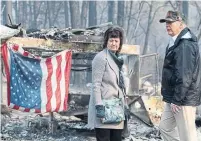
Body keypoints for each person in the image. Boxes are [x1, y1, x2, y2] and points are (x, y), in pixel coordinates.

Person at [159, 10, 201, 141]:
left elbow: (185, 76)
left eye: (171, 22)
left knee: (188, 137)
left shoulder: (185, 45)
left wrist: (177, 99)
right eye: (166, 22)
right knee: (164, 128)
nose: (167, 25)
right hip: (174, 97)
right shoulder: (176, 42)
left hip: (183, 99)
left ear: (181, 24)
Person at [87, 26, 129, 141]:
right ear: (106, 42)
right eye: (111, 40)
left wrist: (125, 105)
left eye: (116, 41)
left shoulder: (118, 59)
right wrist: (99, 106)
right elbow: (96, 84)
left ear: (120, 43)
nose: (113, 43)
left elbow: (120, 85)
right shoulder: (100, 58)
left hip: (117, 109)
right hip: (104, 109)